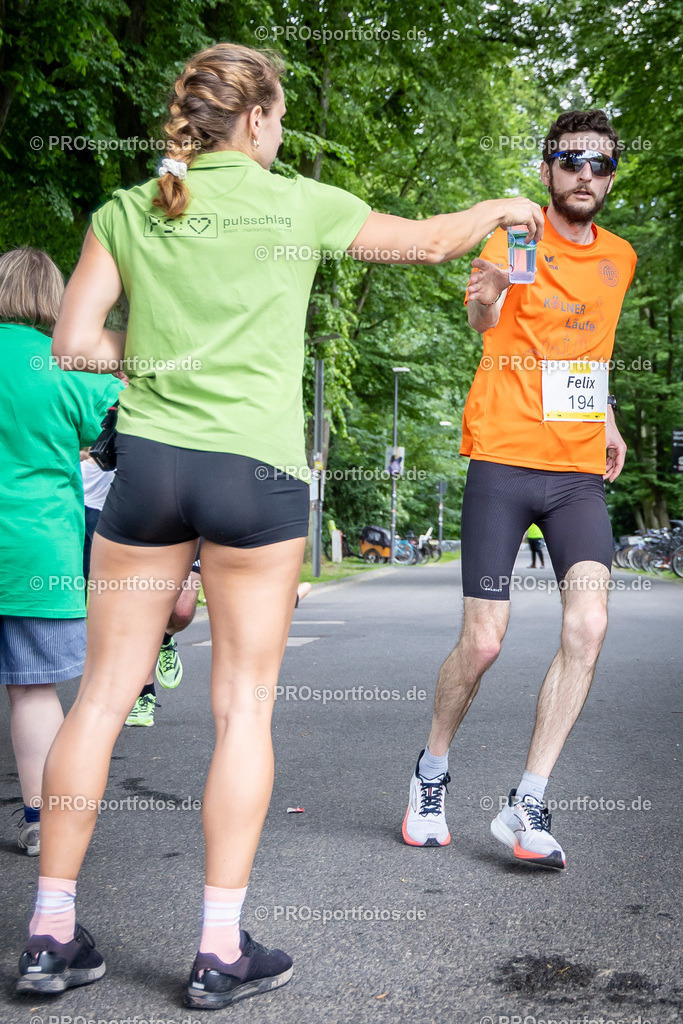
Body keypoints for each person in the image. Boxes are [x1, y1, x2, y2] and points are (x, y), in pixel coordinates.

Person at [15, 42, 543, 1006]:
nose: (283, 131)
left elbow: (75, 342)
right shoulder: (299, 203)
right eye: (281, 116)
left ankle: (50, 934)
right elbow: (427, 241)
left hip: (151, 473)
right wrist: (504, 211)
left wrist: (166, 357)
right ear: (255, 120)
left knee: (97, 699)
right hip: (254, 477)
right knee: (242, 708)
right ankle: (219, 950)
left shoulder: (130, 209)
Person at [403, 109, 636, 869]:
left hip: (574, 472)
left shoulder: (621, 259)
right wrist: (490, 289)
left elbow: (587, 347)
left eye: (598, 164)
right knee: (484, 640)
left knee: (589, 626)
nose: (583, 175)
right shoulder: (512, 237)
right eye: (570, 160)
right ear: (546, 170)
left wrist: (604, 415)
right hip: (503, 458)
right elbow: (482, 318)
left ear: (608, 178)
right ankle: (431, 773)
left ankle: (526, 801)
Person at [0, 247, 120, 857]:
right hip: (37, 555)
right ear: (54, 299)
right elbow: (118, 435)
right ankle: (41, 820)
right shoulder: (65, 364)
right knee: (33, 689)